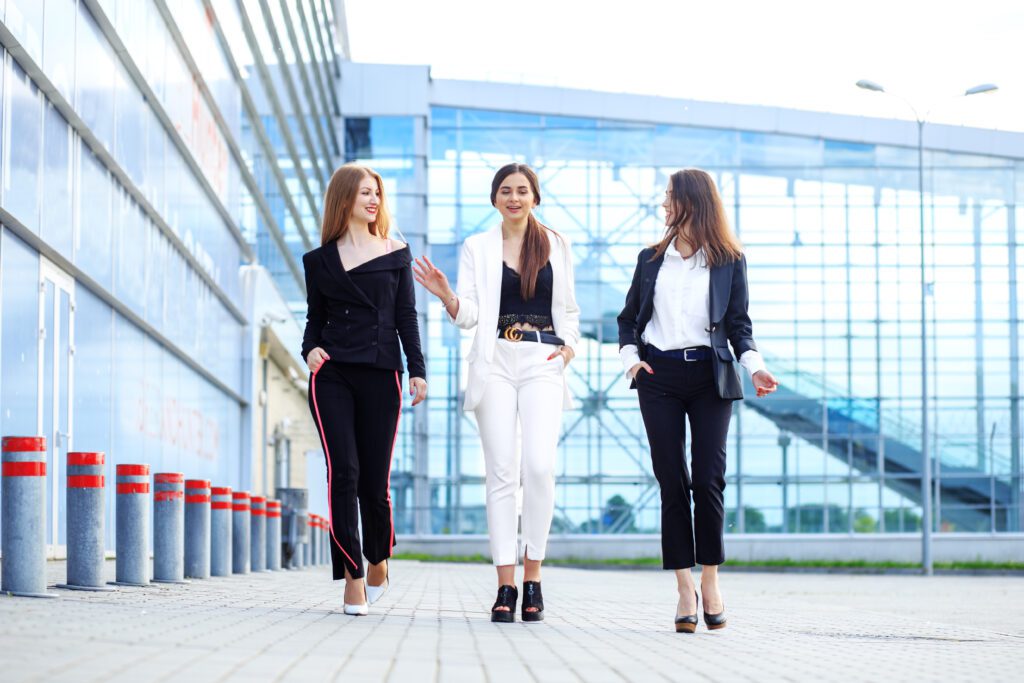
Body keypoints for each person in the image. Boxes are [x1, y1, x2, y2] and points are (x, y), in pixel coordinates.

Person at [413, 163, 579, 623]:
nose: (514, 198)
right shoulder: (477, 247)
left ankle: (534, 578)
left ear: (535, 198)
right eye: (505, 191)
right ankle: (506, 585)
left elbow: (569, 311)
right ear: (494, 199)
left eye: (522, 191)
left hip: (543, 360)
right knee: (502, 474)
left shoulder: (557, 245)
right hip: (496, 364)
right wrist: (447, 295)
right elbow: (469, 315)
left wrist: (567, 351)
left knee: (540, 468)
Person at [617, 168, 778, 632]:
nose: (664, 203)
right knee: (672, 479)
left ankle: (711, 580)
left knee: (708, 479)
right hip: (658, 375)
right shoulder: (650, 259)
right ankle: (684, 588)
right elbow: (628, 319)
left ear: (693, 201)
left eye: (670, 196)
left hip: (711, 375)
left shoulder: (729, 259)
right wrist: (632, 361)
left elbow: (739, 325)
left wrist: (756, 366)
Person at [302, 163, 427, 615]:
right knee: (344, 473)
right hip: (332, 374)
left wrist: (417, 368)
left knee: (374, 482)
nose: (373, 201)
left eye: (377, 193)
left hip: (381, 373)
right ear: (344, 200)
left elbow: (406, 317)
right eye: (363, 194)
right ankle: (353, 576)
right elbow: (315, 320)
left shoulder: (396, 252)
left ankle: (379, 555)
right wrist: (309, 349)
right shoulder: (319, 261)